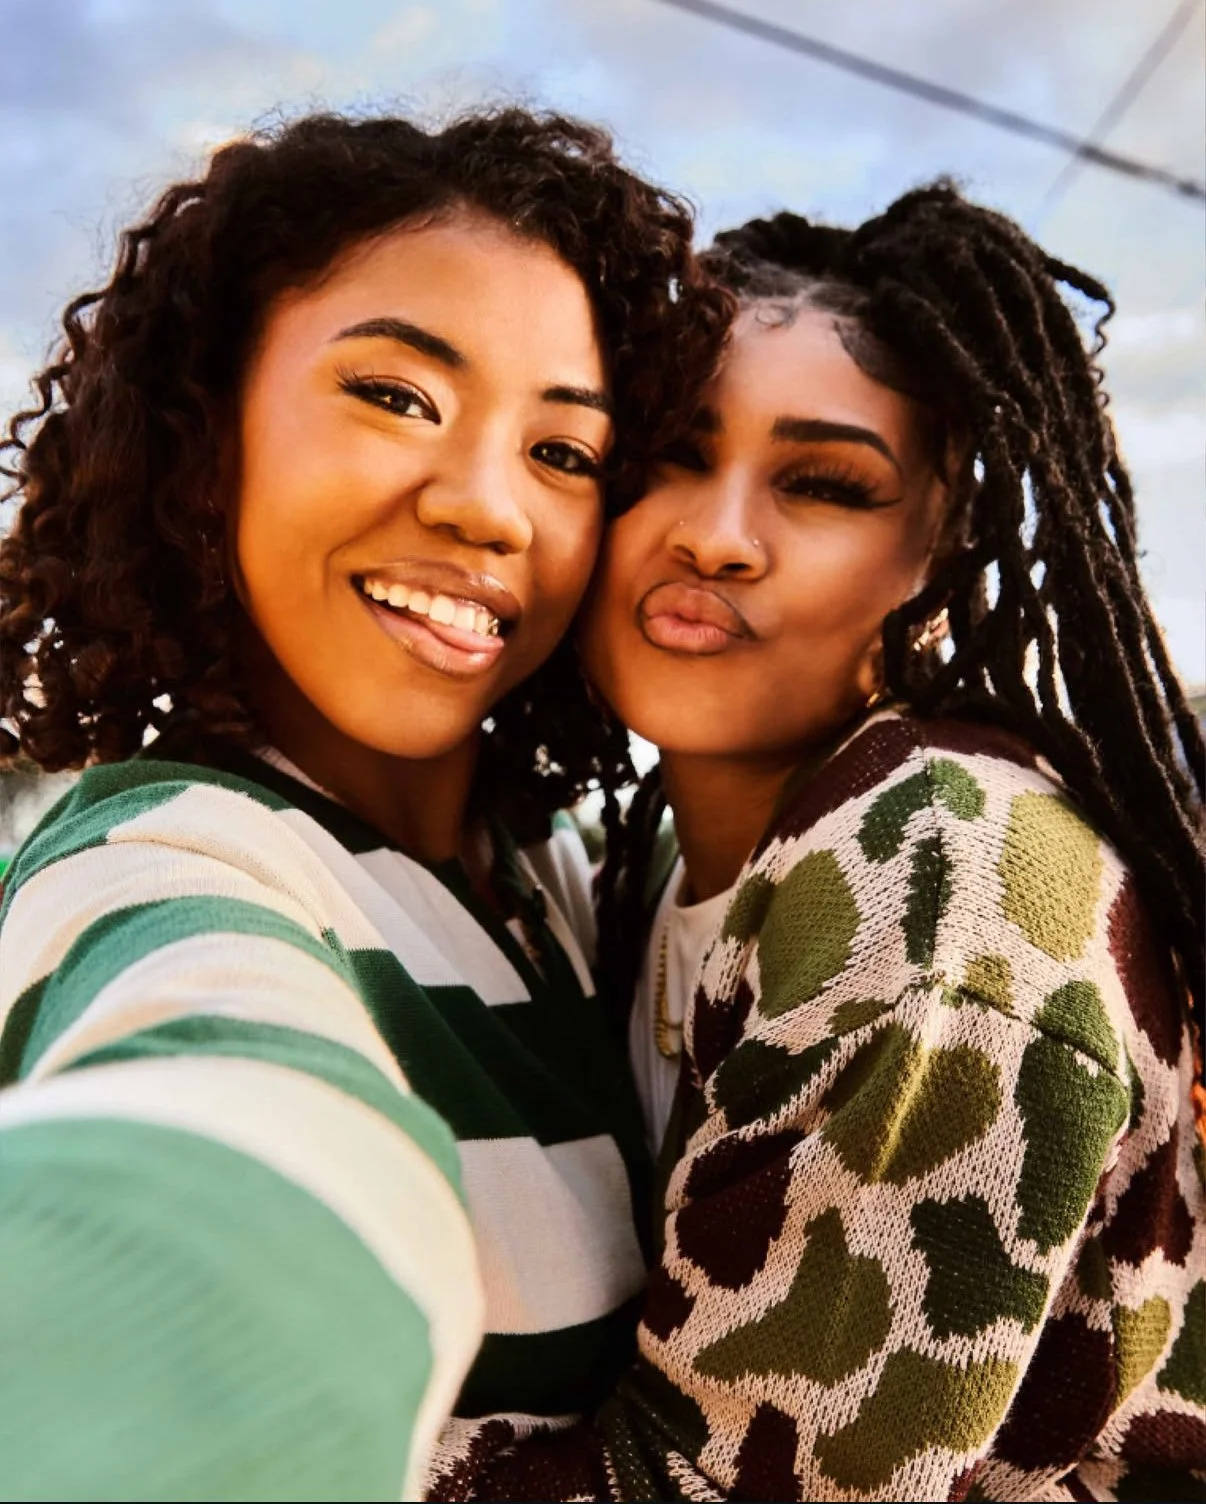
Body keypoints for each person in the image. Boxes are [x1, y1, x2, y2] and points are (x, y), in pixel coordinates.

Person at [426, 184, 1206, 1502]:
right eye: (668, 452)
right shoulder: (657, 864)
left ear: (935, 552)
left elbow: (718, 1485)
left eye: (822, 484)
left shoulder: (942, 874)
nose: (716, 536)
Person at [0, 108, 728, 1498]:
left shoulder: (560, 875)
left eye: (563, 455)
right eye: (397, 396)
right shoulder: (166, 857)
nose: (489, 509)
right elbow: (229, 1168)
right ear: (207, 436)